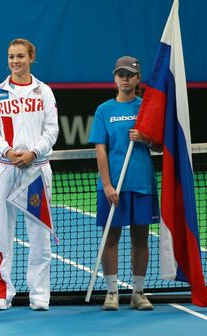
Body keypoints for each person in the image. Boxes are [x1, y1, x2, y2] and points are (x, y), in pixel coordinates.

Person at [0, 38, 58, 311]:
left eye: (20, 56)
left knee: (39, 234)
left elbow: (51, 131)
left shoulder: (44, 92)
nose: (15, 61)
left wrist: (34, 153)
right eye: (11, 57)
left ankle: (39, 295)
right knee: (1, 234)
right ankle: (1, 293)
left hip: (35, 171)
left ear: (31, 57)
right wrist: (7, 152)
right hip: (3, 170)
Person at [89, 56, 160, 311]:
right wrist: (107, 185)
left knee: (141, 238)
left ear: (138, 78)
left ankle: (139, 292)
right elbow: (100, 149)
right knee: (111, 237)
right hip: (113, 187)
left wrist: (145, 138)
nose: (125, 78)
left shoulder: (147, 108)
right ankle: (112, 292)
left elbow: (161, 146)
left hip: (141, 183)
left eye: (130, 74)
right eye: (121, 74)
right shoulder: (104, 110)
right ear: (115, 78)